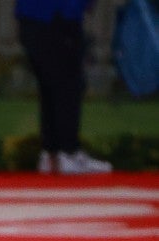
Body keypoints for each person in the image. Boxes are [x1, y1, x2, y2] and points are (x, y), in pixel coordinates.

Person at [15, 0, 113, 175]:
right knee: (67, 86)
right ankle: (68, 152)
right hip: (57, 16)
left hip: (33, 16)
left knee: (50, 88)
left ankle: (51, 153)